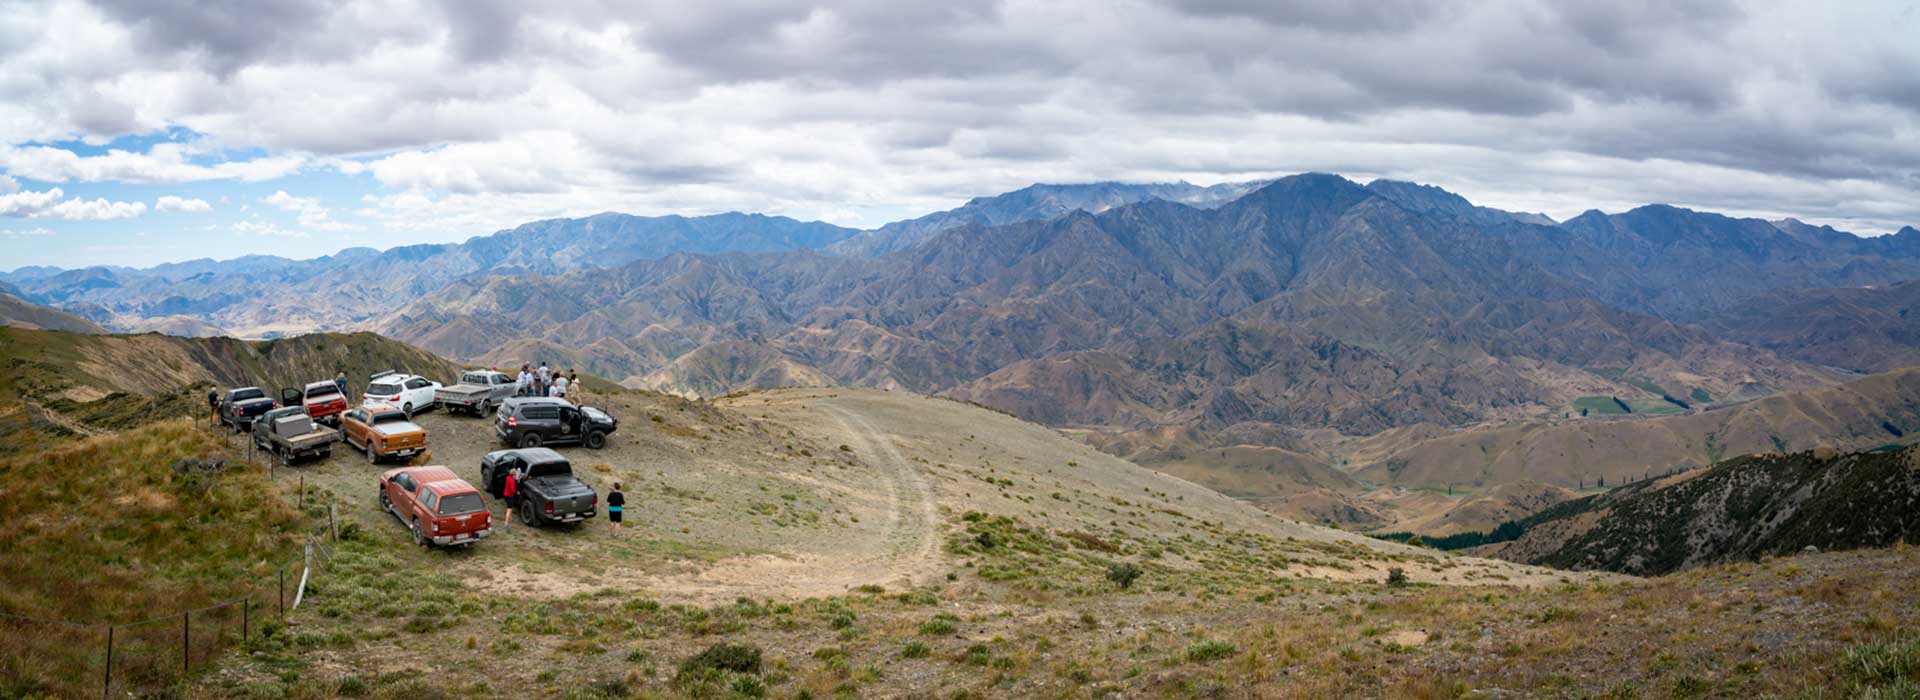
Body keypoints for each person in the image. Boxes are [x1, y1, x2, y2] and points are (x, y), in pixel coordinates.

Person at [501, 467, 520, 532]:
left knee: (509, 508)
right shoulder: (512, 481)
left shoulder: (507, 478)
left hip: (505, 494)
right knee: (509, 509)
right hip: (509, 496)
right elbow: (512, 490)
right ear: (514, 474)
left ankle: (509, 519)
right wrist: (517, 492)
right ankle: (506, 523)